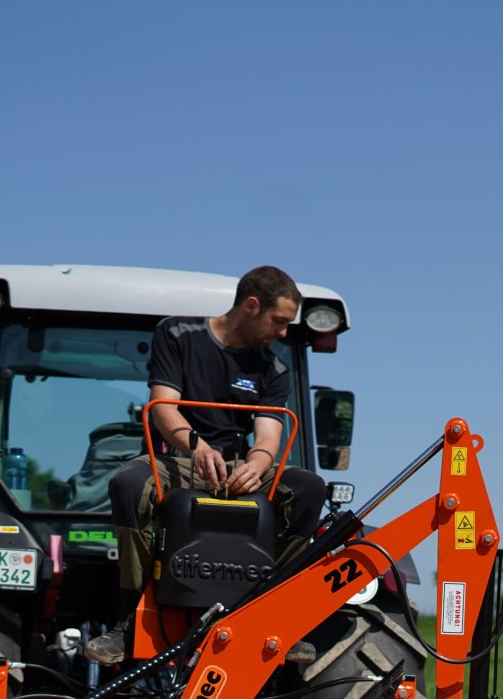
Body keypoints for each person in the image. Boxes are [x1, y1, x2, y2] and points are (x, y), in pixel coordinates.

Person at [86, 266, 327, 664]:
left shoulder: (273, 369)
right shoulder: (178, 335)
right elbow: (164, 408)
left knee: (309, 488)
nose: (283, 332)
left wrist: (256, 464)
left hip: (236, 465)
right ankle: (130, 620)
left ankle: (276, 616)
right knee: (129, 485)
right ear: (252, 306)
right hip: (179, 458)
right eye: (279, 321)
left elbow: (268, 435)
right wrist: (196, 446)